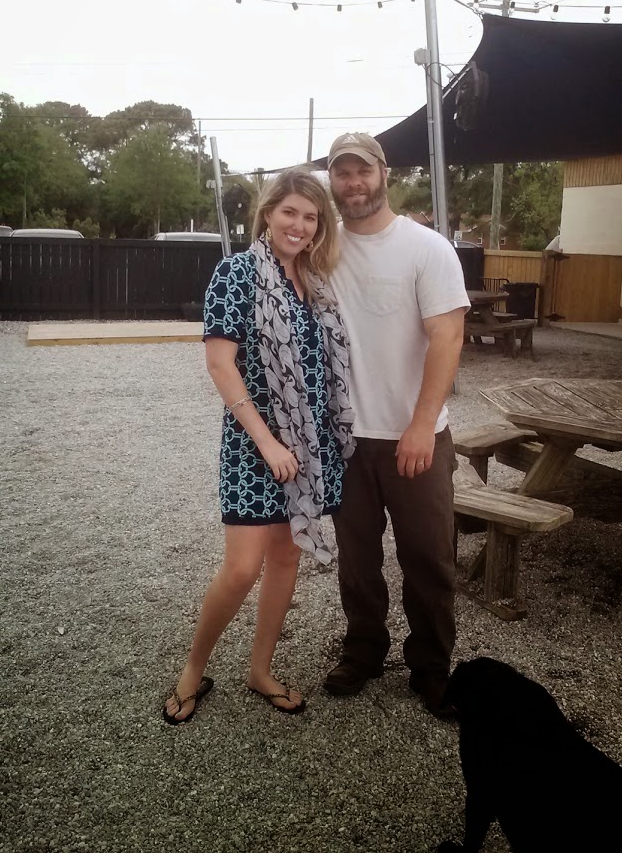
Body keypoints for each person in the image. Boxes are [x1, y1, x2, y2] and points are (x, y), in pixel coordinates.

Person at [163, 167, 354, 724]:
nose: (300, 225)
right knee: (243, 568)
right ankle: (193, 669)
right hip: (255, 444)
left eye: (311, 217)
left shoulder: (316, 281)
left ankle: (260, 669)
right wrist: (268, 443)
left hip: (308, 443)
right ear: (268, 213)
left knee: (286, 556)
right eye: (290, 212)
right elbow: (221, 365)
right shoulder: (237, 273)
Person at [323, 133, 470, 719]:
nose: (353, 182)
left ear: (384, 173)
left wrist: (422, 423)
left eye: (363, 170)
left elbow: (448, 336)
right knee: (357, 560)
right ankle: (363, 651)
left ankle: (431, 668)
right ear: (332, 181)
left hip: (416, 434)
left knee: (428, 559)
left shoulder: (426, 248)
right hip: (345, 438)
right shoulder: (322, 248)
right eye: (342, 172)